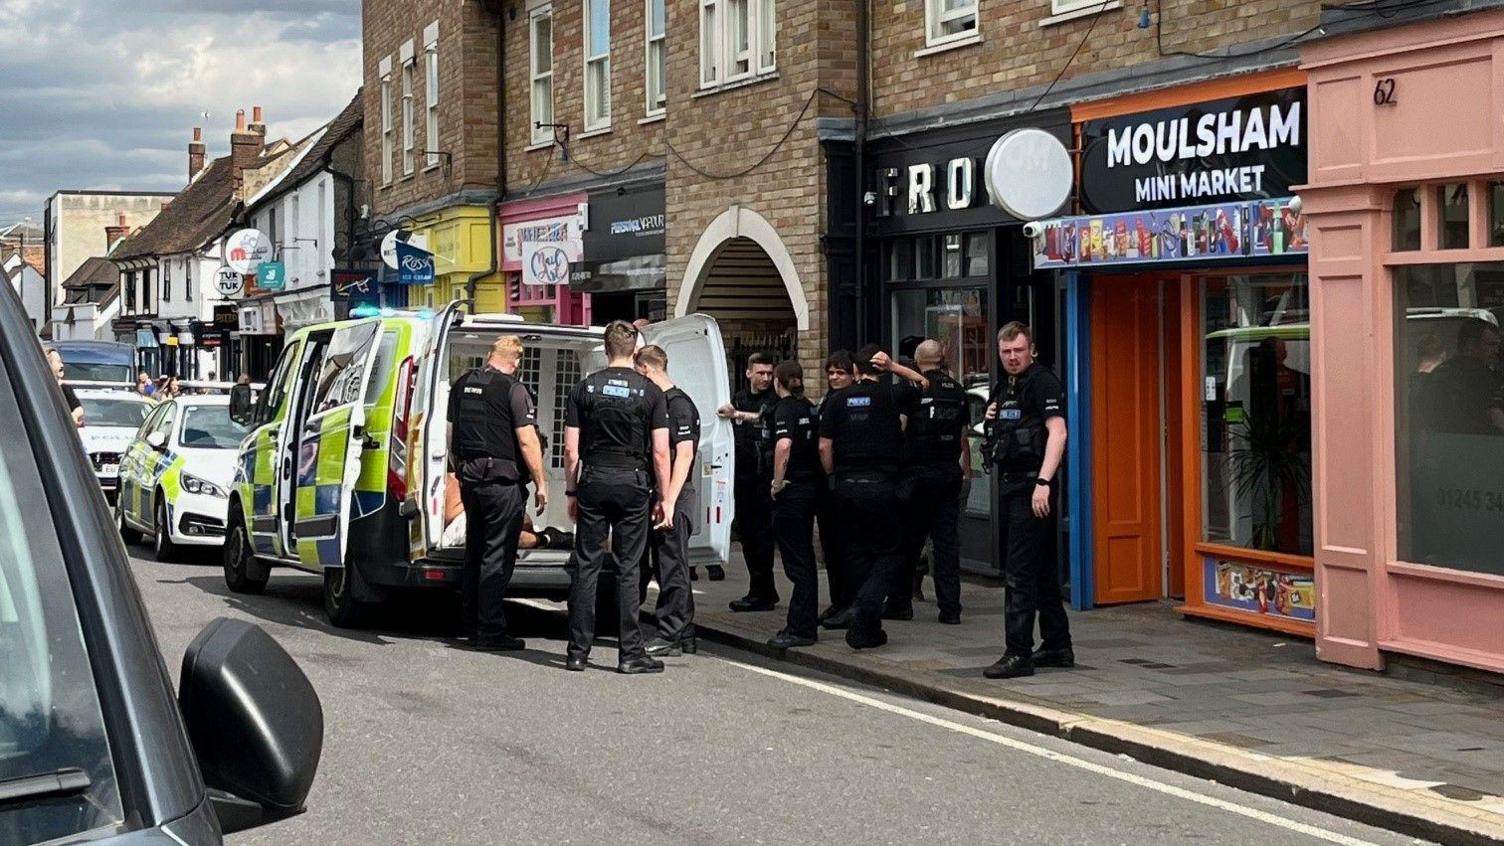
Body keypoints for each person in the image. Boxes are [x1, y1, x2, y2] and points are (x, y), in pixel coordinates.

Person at [564, 320, 674, 674]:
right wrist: (666, 496)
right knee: (629, 568)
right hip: (632, 483)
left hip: (594, 480)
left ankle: (577, 652)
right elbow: (660, 452)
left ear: (606, 348)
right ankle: (630, 653)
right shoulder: (650, 392)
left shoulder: (585, 388)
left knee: (587, 565)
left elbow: (570, 450)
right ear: (635, 347)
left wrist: (571, 490)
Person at [982, 322, 1072, 679]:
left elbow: (1058, 432)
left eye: (1018, 350)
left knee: (1018, 573)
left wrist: (1043, 481)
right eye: (1006, 352)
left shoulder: (1042, 381)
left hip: (1032, 487)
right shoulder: (1006, 385)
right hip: (1012, 482)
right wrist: (990, 416)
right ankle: (1057, 644)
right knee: (1043, 569)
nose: (1012, 357)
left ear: (1031, 349)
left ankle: (1018, 653)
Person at [448, 335, 549, 652]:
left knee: (475, 552)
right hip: (501, 483)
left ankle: (472, 626)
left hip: (471, 480)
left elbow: (451, 435)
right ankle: (490, 630)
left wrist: (460, 469)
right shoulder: (513, 389)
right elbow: (527, 441)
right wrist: (542, 482)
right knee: (497, 556)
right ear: (516, 361)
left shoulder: (462, 384)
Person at [818, 344, 905, 649]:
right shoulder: (890, 396)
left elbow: (824, 447)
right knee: (891, 552)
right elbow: (923, 384)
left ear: (855, 370)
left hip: (846, 486)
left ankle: (865, 627)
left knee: (855, 554)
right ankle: (865, 607)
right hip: (882, 485)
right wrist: (895, 367)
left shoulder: (837, 401)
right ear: (880, 369)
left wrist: (832, 477)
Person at [889, 340, 971, 625]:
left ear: (916, 361)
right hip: (948, 473)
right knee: (946, 545)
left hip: (916, 473)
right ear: (943, 358)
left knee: (908, 542)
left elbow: (899, 428)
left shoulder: (913, 392)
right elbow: (963, 436)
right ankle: (950, 609)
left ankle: (900, 603)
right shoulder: (958, 392)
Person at [633, 344, 701, 657]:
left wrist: (669, 500)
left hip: (675, 493)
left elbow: (684, 454)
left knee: (672, 565)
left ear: (646, 369)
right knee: (667, 566)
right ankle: (684, 633)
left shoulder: (678, 405)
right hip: (664, 494)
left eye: (638, 373)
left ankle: (670, 632)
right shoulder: (661, 402)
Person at [767, 360, 822, 649]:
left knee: (797, 564)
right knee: (806, 561)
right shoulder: (809, 407)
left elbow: (783, 445)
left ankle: (801, 628)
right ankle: (804, 623)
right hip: (810, 487)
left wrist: (777, 482)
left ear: (778, 381)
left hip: (792, 491)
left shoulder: (785, 409)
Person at [717, 352, 778, 609]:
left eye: (769, 373)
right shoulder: (740, 397)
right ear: (749, 373)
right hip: (741, 479)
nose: (765, 378)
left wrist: (737, 414)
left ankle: (761, 593)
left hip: (764, 479)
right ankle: (763, 589)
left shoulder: (773, 400)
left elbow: (765, 418)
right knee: (749, 538)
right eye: (761, 373)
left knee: (762, 539)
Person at [816, 350, 855, 623]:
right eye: (831, 373)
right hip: (827, 485)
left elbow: (825, 445)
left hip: (841, 481)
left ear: (852, 375)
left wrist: (830, 475)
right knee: (831, 548)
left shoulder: (847, 401)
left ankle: (847, 604)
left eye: (840, 372)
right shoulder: (828, 399)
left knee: (845, 548)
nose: (834, 377)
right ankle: (838, 601)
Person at [48, 349, 83, 428]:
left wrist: (74, 416)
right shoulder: (42, 388)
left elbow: (78, 408)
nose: (62, 365)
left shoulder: (64, 388)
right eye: (58, 362)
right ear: (47, 365)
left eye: (61, 362)